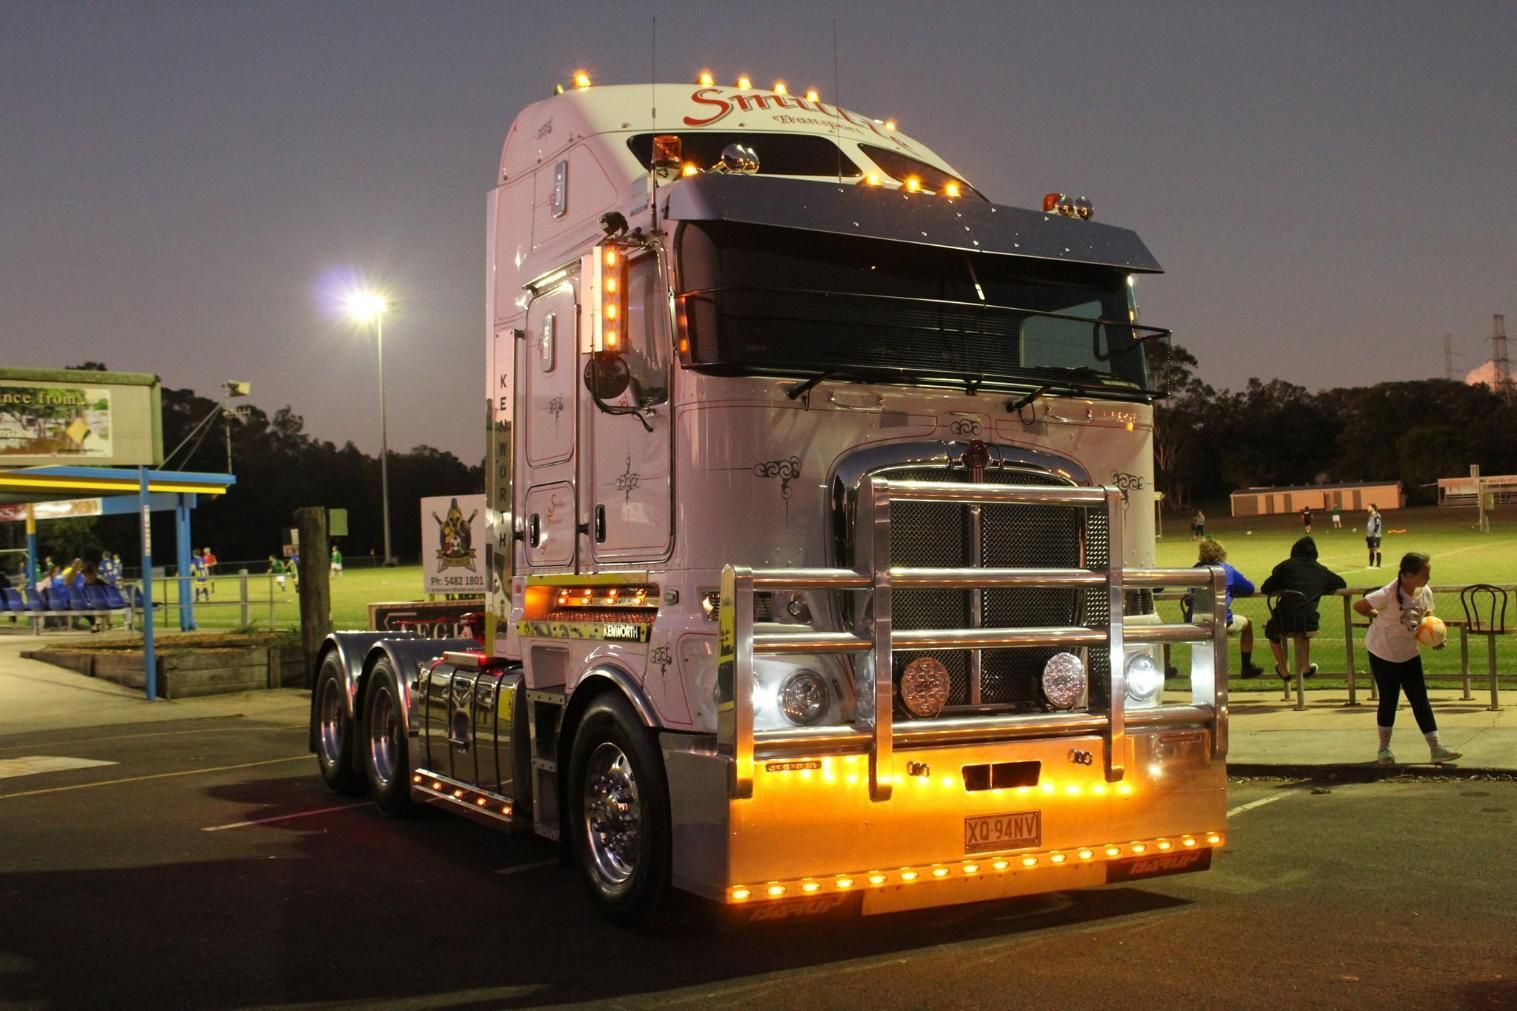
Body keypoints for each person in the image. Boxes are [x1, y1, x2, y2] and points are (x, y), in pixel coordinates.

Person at [1353, 552, 1461, 765]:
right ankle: (1384, 749)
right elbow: (1360, 606)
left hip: (1409, 652)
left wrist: (1435, 637)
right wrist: (1380, 617)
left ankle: (1436, 748)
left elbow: (1428, 618)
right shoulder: (1388, 593)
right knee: (1389, 699)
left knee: (1420, 699)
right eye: (1424, 574)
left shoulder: (1425, 591)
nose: (1428, 578)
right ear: (1408, 575)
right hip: (1383, 652)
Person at [1260, 536, 1347, 682]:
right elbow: (1341, 583)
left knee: (1271, 632)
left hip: (1283, 619)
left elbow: (1266, 588)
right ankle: (1305, 667)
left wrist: (1285, 585)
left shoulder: (1285, 566)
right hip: (1308, 621)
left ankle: (1283, 669)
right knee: (1304, 630)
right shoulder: (1321, 570)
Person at [1185, 539, 1266, 678]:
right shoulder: (1227, 570)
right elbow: (1249, 588)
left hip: (1194, 621)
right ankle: (1246, 667)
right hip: (1220, 621)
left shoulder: (1194, 570)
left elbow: (1189, 598)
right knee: (1248, 623)